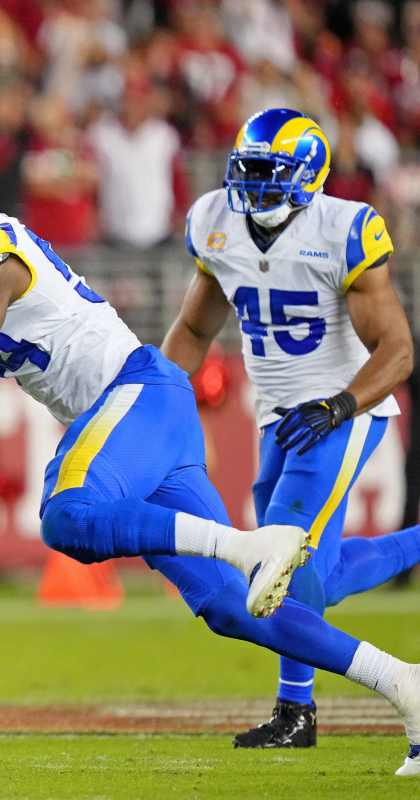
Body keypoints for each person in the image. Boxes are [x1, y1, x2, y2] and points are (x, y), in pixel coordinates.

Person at [0, 140, 420, 776]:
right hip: (136, 413)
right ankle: (401, 681)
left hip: (137, 396)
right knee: (230, 608)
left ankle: (248, 544)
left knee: (70, 516)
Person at [162, 108, 420, 749]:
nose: (253, 188)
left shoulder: (343, 229)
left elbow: (397, 348)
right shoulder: (216, 222)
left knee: (278, 556)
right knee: (317, 576)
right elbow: (196, 329)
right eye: (246, 171)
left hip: (341, 410)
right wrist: (159, 402)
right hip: (276, 414)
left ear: (309, 177)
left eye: (269, 174)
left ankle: (296, 711)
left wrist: (340, 405)